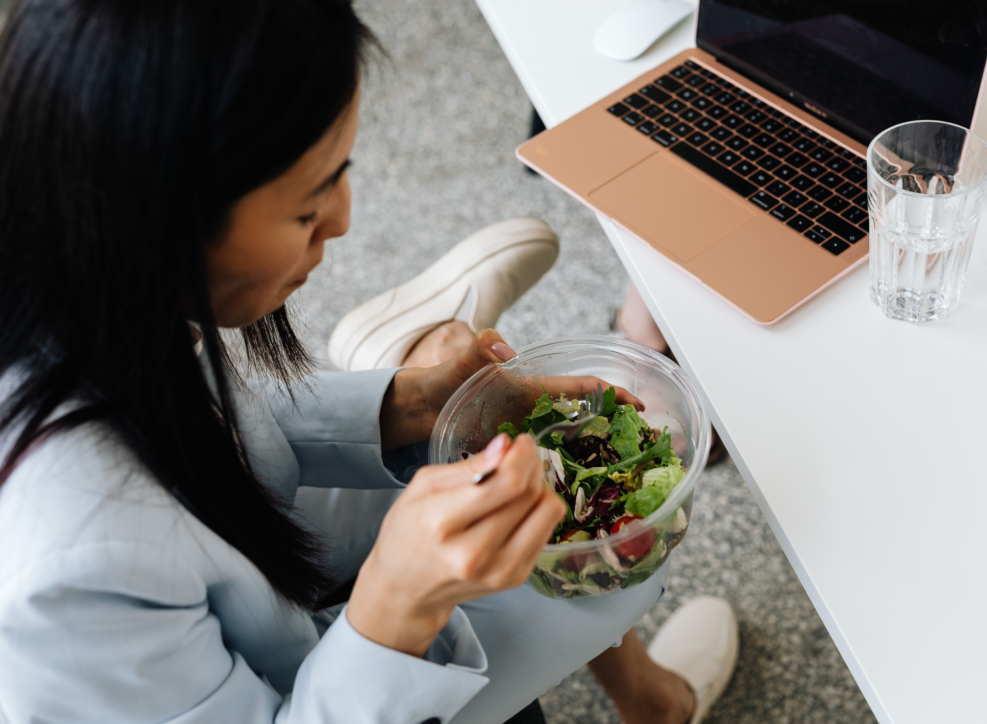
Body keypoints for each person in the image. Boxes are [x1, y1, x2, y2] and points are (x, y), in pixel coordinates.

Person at [0, 1, 737, 723]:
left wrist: (411, 403)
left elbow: (213, 433)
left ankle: (403, 355)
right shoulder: (70, 576)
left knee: (533, 492)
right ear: (160, 223)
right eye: (307, 207)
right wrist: (395, 602)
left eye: (343, 171)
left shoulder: (83, 277)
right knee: (602, 582)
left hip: (253, 568)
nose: (345, 220)